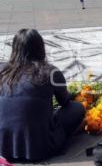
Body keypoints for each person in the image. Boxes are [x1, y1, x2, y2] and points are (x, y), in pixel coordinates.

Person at [0, 29, 85, 161]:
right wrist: (74, 94)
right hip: (41, 146)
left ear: (14, 49)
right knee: (76, 108)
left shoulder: (3, 70)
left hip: (3, 147)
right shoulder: (50, 71)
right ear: (40, 48)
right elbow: (64, 101)